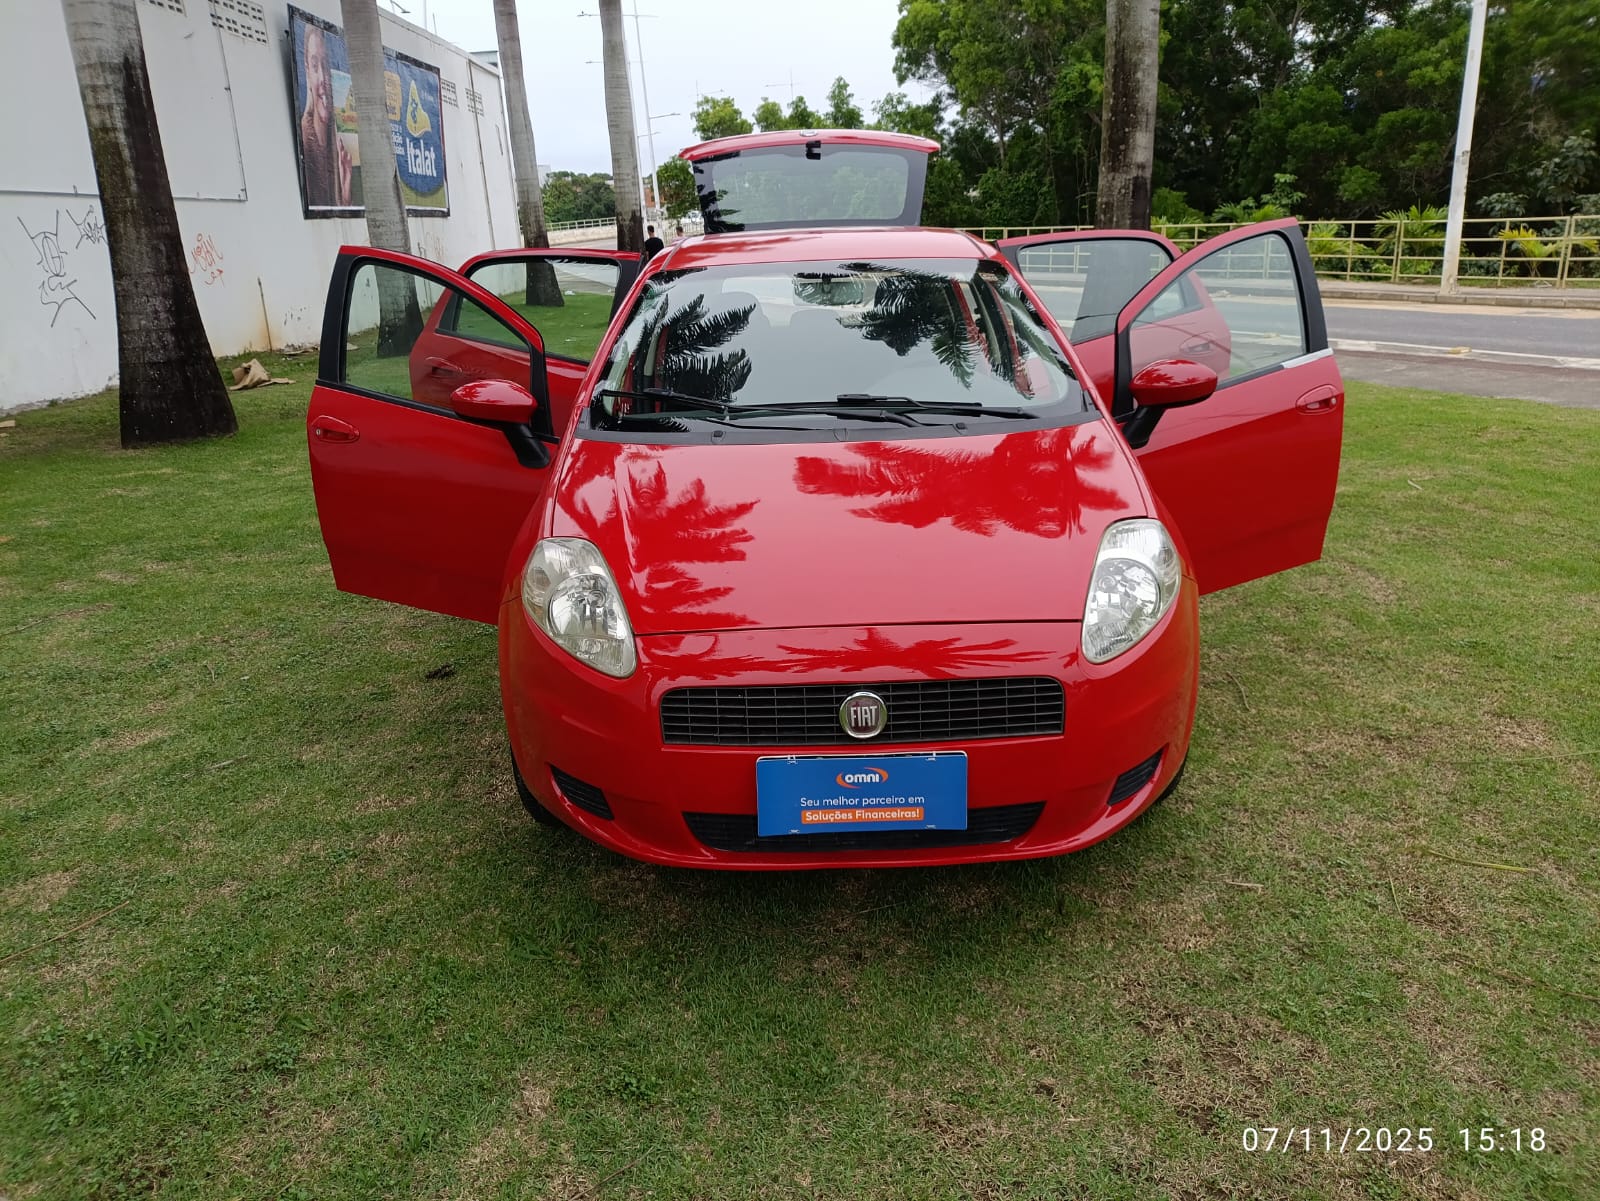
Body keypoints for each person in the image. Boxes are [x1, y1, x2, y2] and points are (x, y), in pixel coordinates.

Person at [299, 24, 353, 209]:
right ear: (307, 70)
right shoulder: (304, 143)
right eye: (315, 66)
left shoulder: (337, 148)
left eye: (326, 65)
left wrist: (345, 193)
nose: (323, 77)